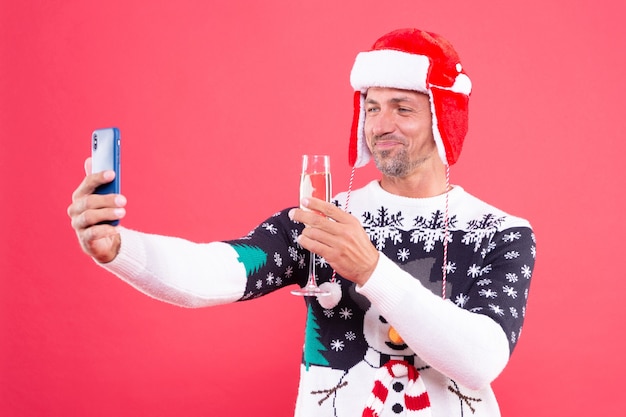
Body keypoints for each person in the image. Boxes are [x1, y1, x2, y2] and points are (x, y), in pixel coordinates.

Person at [68, 28, 536, 417]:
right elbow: (222, 270)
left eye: (403, 107)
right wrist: (118, 248)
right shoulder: (324, 217)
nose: (381, 124)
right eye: (372, 107)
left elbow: (480, 361)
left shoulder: (501, 233)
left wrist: (371, 269)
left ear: (442, 121)